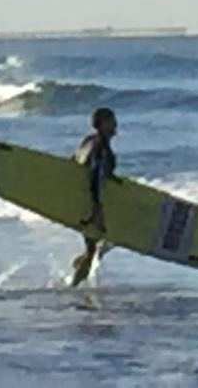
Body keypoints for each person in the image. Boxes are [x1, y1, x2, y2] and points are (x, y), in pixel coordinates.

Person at [70, 106, 118, 286]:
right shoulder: (101, 147)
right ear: (104, 124)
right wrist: (95, 210)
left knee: (99, 245)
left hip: (81, 200)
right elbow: (95, 177)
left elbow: (74, 165)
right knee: (93, 252)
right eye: (112, 120)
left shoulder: (89, 141)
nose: (116, 124)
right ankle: (71, 289)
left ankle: (79, 264)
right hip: (90, 205)